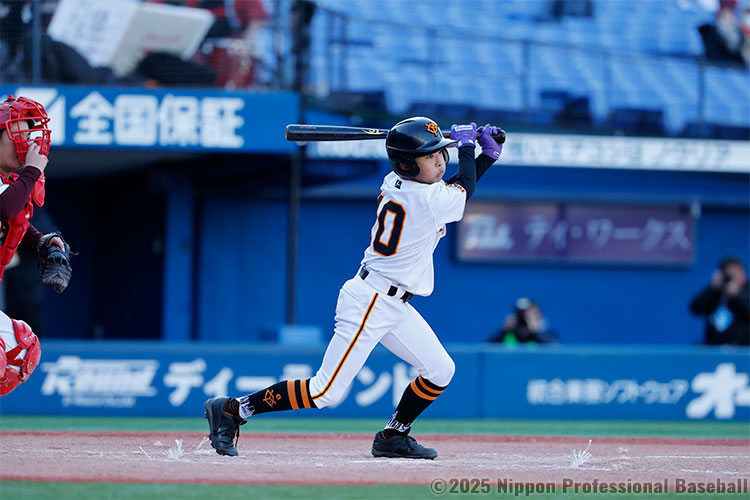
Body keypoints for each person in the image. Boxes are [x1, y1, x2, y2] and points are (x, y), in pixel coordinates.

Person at [203, 117, 504, 459]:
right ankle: (232, 409)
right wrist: (469, 149)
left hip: (392, 302)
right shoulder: (427, 198)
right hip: (371, 301)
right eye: (430, 155)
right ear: (407, 164)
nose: (439, 161)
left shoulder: (403, 184)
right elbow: (457, 193)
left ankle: (393, 435)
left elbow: (454, 191)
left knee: (440, 370)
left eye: (441, 153)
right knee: (325, 392)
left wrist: (483, 157)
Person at [0, 94, 67, 395]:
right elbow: (4, 209)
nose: (25, 144)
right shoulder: (15, 185)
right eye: (17, 135)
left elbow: (16, 222)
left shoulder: (7, 183)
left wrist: (43, 240)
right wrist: (32, 171)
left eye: (28, 136)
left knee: (22, 349)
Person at [689, 256, 750, 346]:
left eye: (736, 271)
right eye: (729, 273)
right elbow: (695, 309)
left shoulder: (748, 290)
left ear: (743, 272)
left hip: (743, 348)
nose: (734, 276)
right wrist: (712, 288)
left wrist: (737, 296)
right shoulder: (715, 291)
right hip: (714, 347)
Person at [489, 297, 558, 345]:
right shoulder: (508, 334)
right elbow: (487, 351)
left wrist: (537, 332)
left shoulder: (545, 335)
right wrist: (503, 330)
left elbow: (556, 350)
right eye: (522, 315)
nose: (524, 319)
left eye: (530, 316)